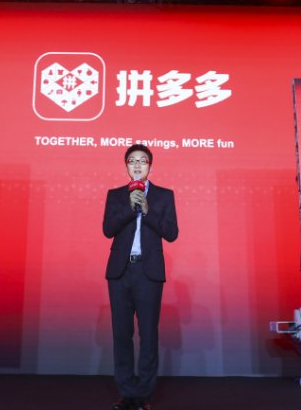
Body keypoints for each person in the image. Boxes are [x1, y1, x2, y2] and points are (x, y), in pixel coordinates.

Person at [103, 144, 179, 410]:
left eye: (142, 161)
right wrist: (130, 208)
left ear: (150, 166)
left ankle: (143, 395)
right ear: (126, 166)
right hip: (120, 272)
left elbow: (171, 233)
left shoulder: (164, 195)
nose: (137, 165)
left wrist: (146, 211)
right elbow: (108, 229)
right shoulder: (115, 195)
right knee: (121, 335)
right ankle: (127, 393)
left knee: (148, 335)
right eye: (132, 161)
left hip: (148, 273)